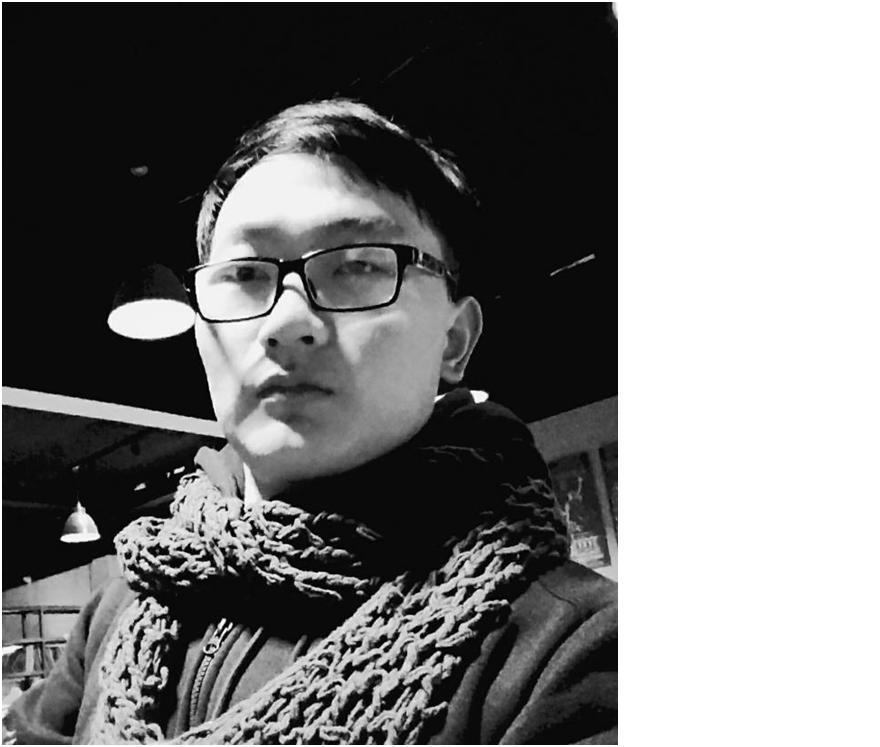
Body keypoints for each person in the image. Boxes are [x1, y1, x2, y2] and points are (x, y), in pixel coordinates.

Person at [4, 99, 617, 744]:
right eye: (244, 273)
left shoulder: (571, 657)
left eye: (358, 265)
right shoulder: (121, 609)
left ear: (454, 339)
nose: (286, 321)